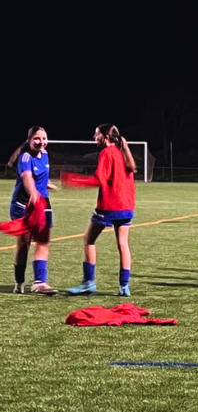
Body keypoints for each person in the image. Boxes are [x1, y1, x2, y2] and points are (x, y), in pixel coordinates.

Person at [66, 124, 137, 296]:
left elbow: (99, 179)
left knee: (88, 240)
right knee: (123, 244)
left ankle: (88, 283)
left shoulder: (107, 153)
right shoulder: (122, 152)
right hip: (126, 206)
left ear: (105, 136)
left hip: (109, 206)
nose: (94, 137)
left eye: (96, 134)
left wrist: (74, 180)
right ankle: (124, 287)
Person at [6, 127, 57, 294]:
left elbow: (40, 176)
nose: (41, 142)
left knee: (43, 242)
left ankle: (40, 282)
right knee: (24, 245)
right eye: (36, 138)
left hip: (43, 204)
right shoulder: (25, 157)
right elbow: (27, 177)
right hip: (23, 205)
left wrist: (46, 185)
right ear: (29, 140)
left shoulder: (46, 155)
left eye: (44, 138)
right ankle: (19, 281)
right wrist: (33, 193)